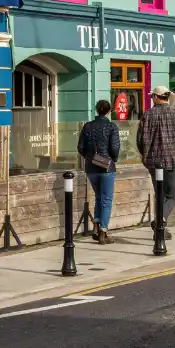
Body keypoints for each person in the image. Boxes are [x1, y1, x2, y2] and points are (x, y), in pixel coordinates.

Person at [136, 86, 175, 227]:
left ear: (155, 97)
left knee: (159, 194)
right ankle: (161, 219)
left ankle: (160, 227)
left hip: (152, 161)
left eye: (152, 96)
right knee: (172, 195)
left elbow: (139, 140)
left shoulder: (147, 115)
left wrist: (145, 155)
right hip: (171, 160)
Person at [76, 100, 122, 243]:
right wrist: (113, 159)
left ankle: (96, 226)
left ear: (96, 110)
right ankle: (103, 231)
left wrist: (91, 158)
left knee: (98, 197)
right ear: (109, 111)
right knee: (106, 199)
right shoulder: (111, 126)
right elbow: (115, 149)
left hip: (91, 168)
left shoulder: (87, 126)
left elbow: (80, 147)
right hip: (107, 167)